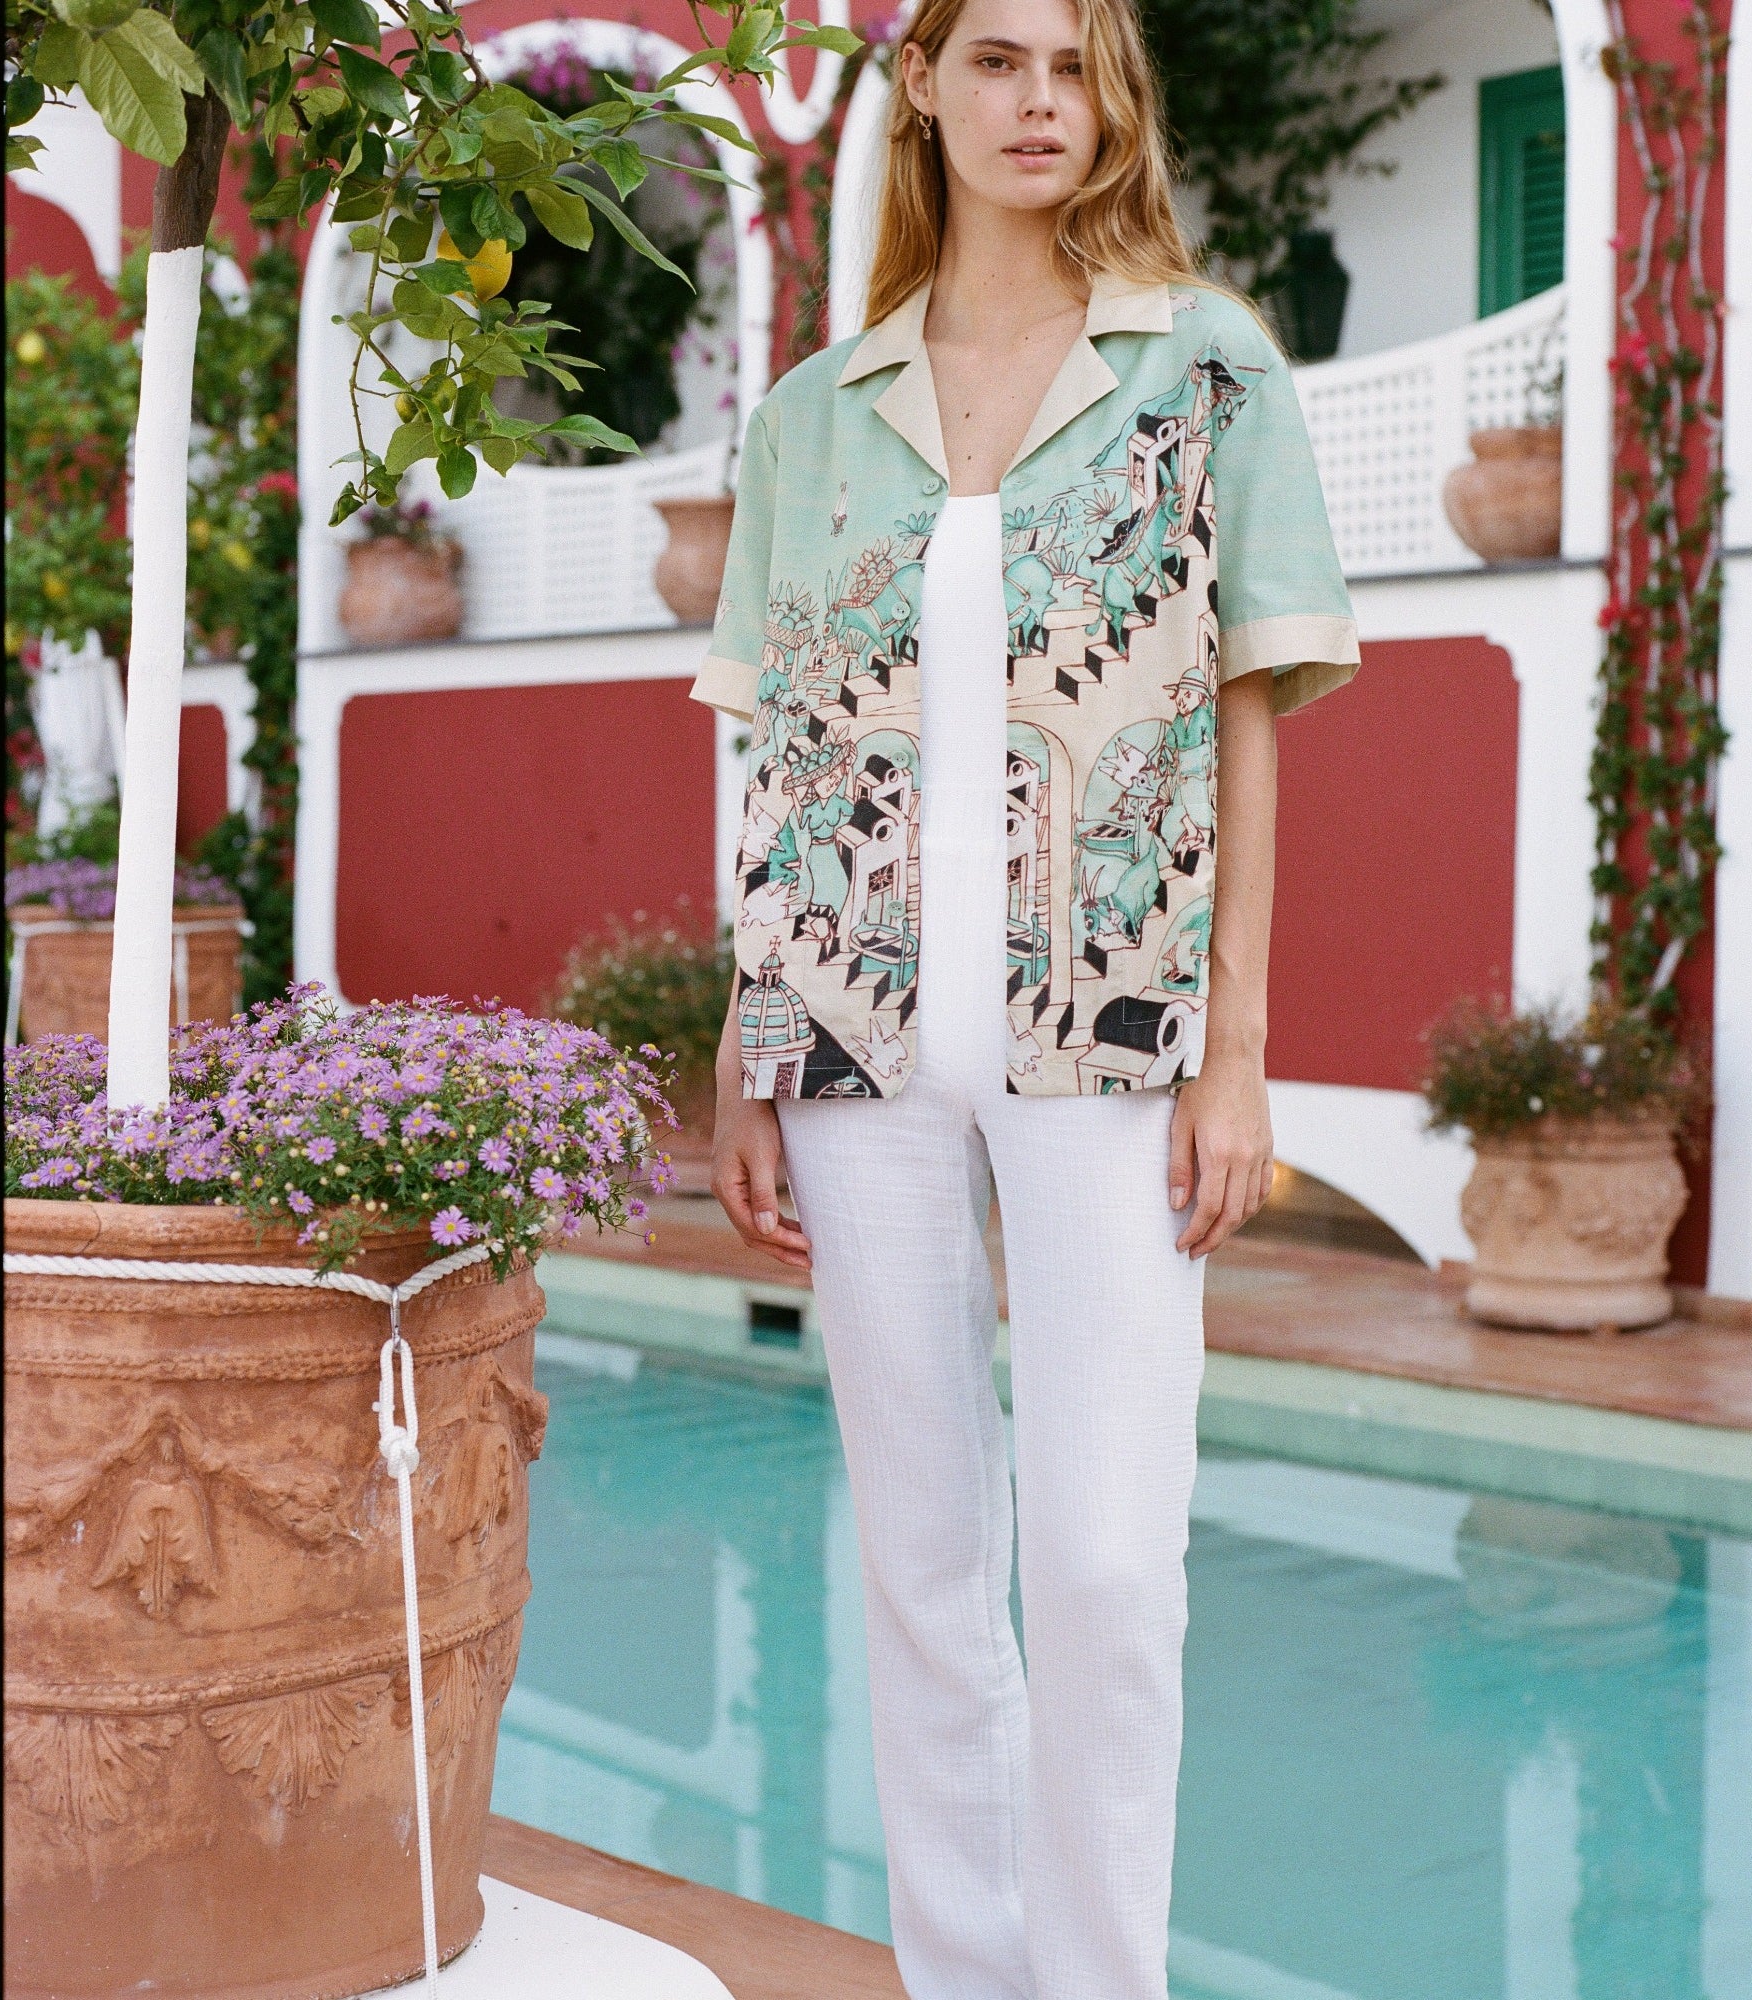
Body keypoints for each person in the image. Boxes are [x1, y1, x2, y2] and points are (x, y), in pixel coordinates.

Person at [691, 0, 1358, 1990]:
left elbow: (1250, 707)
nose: (1040, 105)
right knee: (917, 1562)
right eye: (997, 60)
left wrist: (1236, 1050)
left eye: (1075, 68)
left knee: (1100, 1566)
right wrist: (747, 1034)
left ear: (1114, 97)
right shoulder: (814, 410)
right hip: (848, 1034)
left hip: (1117, 1036)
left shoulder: (1204, 365)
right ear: (923, 85)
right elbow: (784, 752)